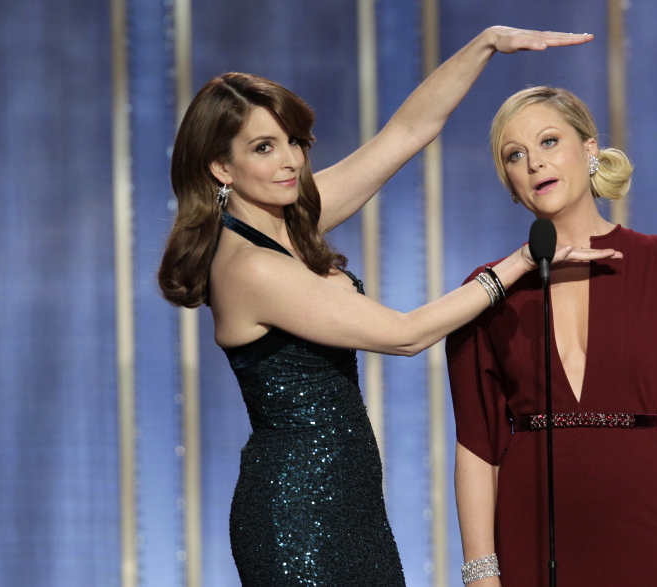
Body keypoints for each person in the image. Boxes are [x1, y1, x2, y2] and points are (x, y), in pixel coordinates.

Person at [157, 29, 612, 586]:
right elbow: (405, 334)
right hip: (298, 514)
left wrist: (485, 46)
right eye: (262, 148)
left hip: (349, 502)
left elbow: (408, 131)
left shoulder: (290, 223)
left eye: (293, 141)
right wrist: (516, 265)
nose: (289, 162)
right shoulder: (250, 266)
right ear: (221, 169)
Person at [446, 86, 657, 587]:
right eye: (516, 155)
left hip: (647, 527)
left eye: (549, 142)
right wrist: (480, 572)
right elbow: (476, 446)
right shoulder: (485, 292)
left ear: (590, 149)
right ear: (511, 184)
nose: (534, 164)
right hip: (529, 533)